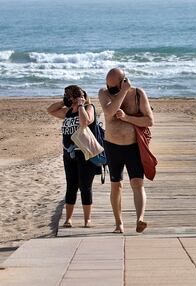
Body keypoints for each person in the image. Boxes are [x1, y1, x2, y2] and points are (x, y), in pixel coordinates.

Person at [99, 68, 154, 233]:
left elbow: (149, 121)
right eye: (109, 87)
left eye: (114, 87)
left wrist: (127, 118)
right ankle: (119, 223)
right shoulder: (104, 94)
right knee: (116, 185)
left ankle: (140, 219)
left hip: (133, 147)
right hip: (113, 146)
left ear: (124, 81)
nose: (111, 90)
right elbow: (109, 112)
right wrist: (121, 92)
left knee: (137, 183)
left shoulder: (138, 94)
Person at [47, 85, 96, 228]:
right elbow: (50, 110)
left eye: (69, 96)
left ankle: (87, 220)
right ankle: (68, 219)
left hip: (85, 153)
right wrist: (64, 102)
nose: (68, 98)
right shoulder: (68, 112)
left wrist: (81, 104)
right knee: (71, 186)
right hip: (69, 154)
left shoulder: (89, 108)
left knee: (85, 186)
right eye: (67, 96)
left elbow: (85, 122)